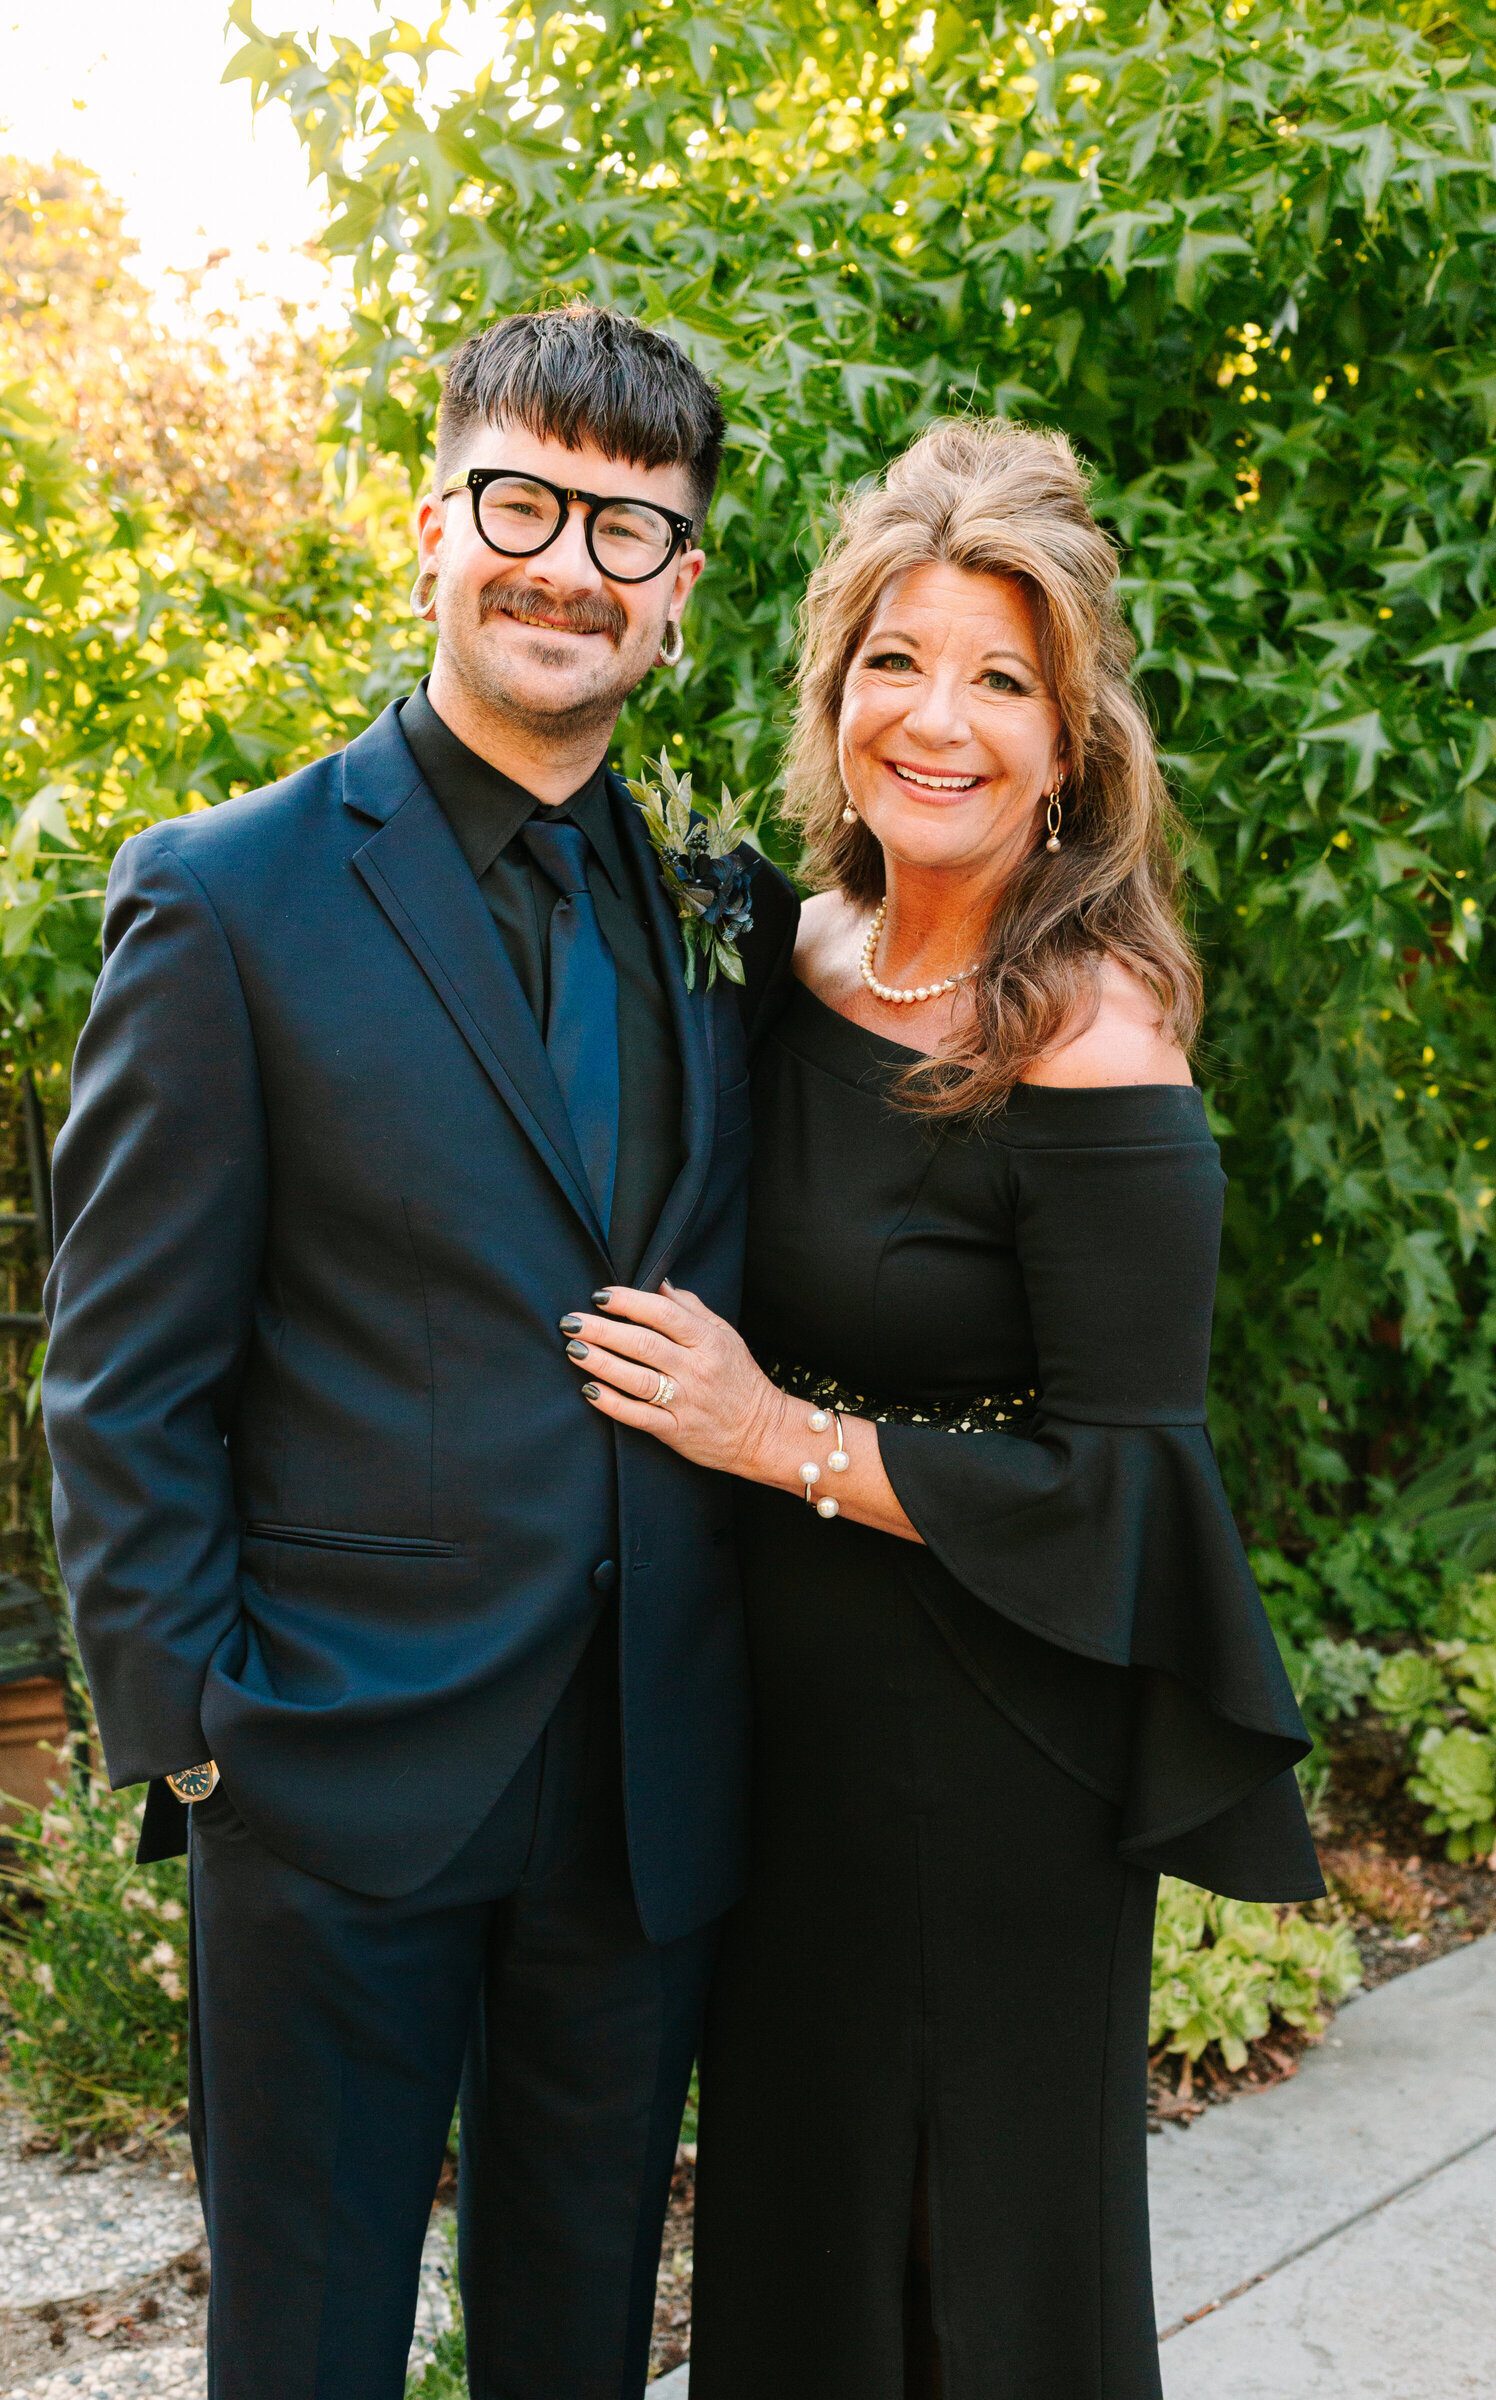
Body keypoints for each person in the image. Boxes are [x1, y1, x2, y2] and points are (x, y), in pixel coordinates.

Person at [40, 302, 797, 2400]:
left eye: (625, 528)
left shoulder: (713, 918)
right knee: (308, 2351)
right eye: (521, 502)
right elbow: (121, 1375)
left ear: (680, 589)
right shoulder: (226, 896)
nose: (567, 562)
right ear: (435, 521)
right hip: (329, 1778)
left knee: (577, 2347)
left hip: (642, 1789)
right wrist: (198, 1737)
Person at [565, 414, 1323, 2400]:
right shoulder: (782, 958)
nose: (940, 719)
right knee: (801, 2230)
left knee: (967, 2248)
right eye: (896, 660)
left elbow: (1125, 1484)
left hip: (996, 1729)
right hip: (779, 1718)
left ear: (1066, 744)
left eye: (1000, 680)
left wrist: (767, 1439)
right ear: (831, 695)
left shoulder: (1087, 1034)